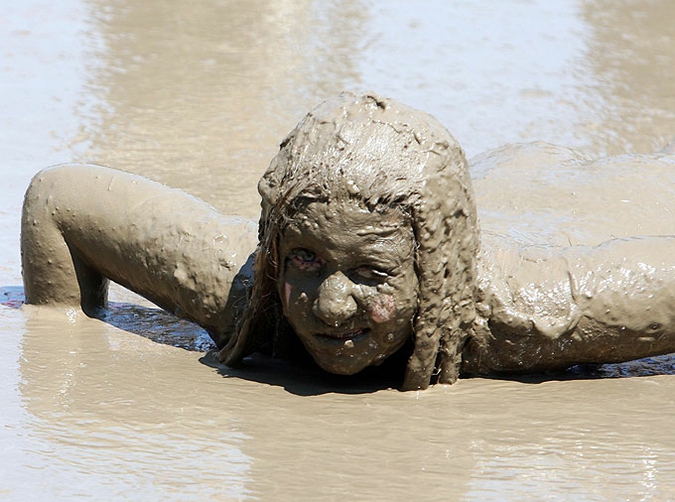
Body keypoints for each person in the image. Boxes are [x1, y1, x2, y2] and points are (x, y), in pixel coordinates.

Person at [20, 92, 675, 390]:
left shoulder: (521, 312)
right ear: (275, 247)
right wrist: (63, 342)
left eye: (370, 274)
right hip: (500, 177)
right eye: (306, 260)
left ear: (436, 274)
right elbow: (58, 199)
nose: (329, 306)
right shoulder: (248, 291)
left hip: (632, 193)